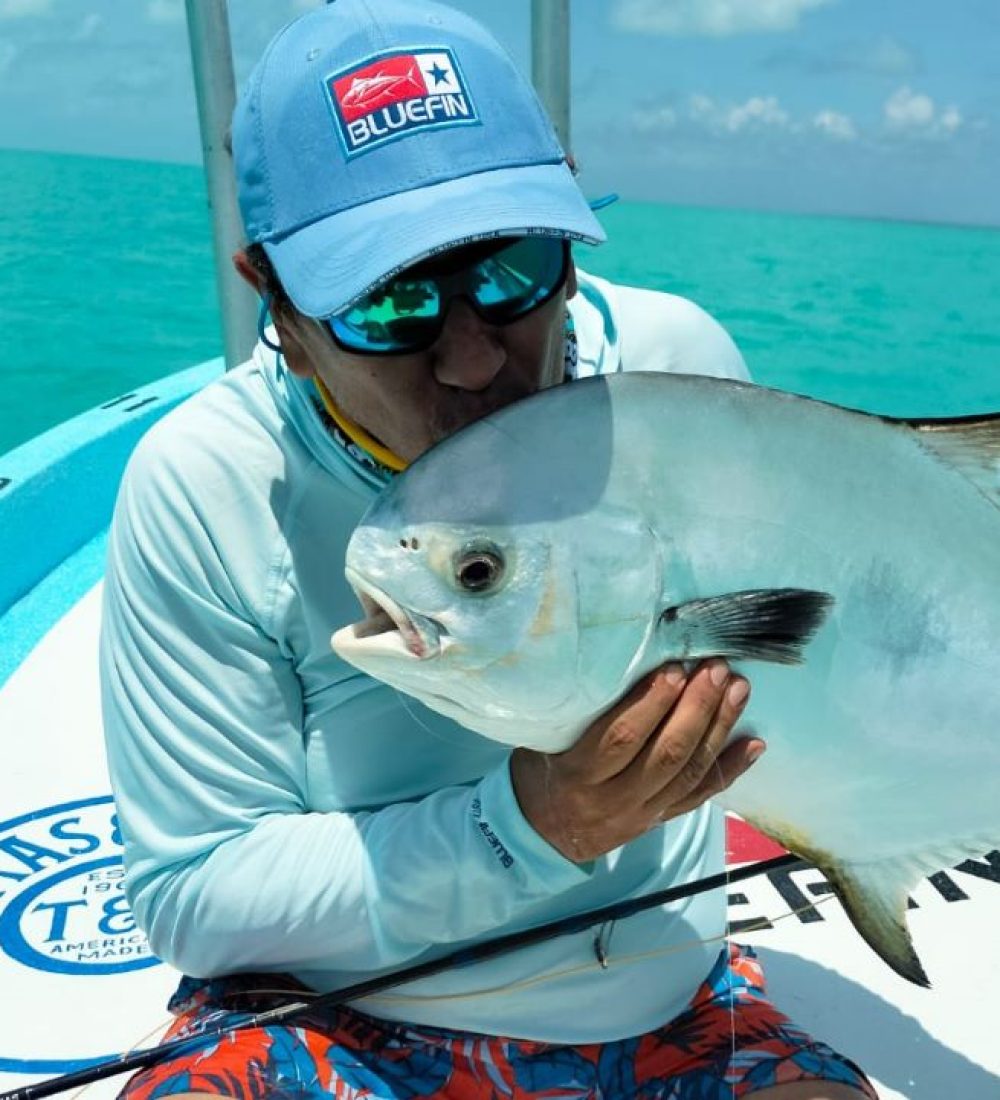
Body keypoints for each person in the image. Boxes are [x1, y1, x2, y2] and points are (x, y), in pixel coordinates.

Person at [100, 2, 877, 1097]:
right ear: (270, 290)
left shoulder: (671, 373)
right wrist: (532, 824)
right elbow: (193, 886)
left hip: (671, 992)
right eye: (391, 301)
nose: (473, 360)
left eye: (513, 270)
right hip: (338, 1013)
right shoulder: (212, 482)